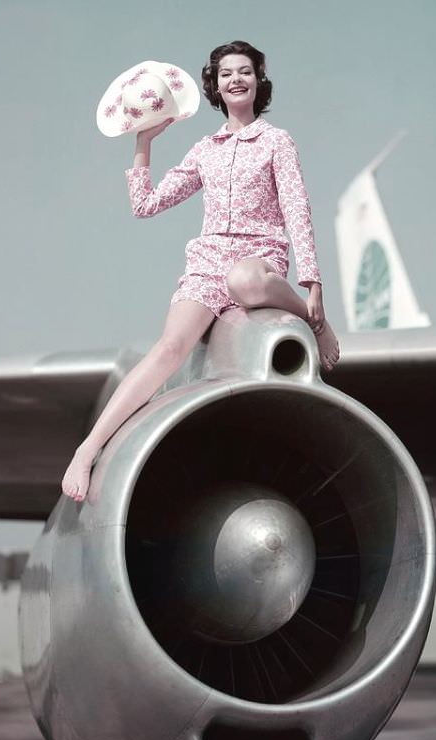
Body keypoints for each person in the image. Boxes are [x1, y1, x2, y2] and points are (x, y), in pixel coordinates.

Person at [62, 40, 340, 502]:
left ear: (258, 81)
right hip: (206, 261)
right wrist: (143, 145)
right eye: (227, 72)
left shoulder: (277, 141)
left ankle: (315, 320)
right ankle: (87, 449)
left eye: (245, 71)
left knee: (246, 282)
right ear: (214, 85)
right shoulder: (204, 150)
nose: (236, 79)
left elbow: (297, 209)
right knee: (169, 348)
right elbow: (145, 206)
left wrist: (313, 283)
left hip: (260, 256)